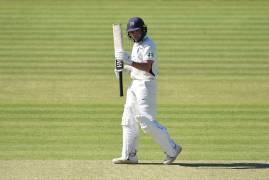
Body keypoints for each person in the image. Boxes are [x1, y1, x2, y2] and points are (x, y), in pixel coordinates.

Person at [112, 17, 182, 165]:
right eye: (132, 33)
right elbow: (136, 67)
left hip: (146, 85)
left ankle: (173, 149)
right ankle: (129, 155)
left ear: (143, 30)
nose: (135, 34)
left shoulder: (149, 45)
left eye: (137, 31)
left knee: (146, 123)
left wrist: (128, 61)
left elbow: (147, 67)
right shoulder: (136, 45)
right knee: (128, 120)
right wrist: (123, 68)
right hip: (134, 85)